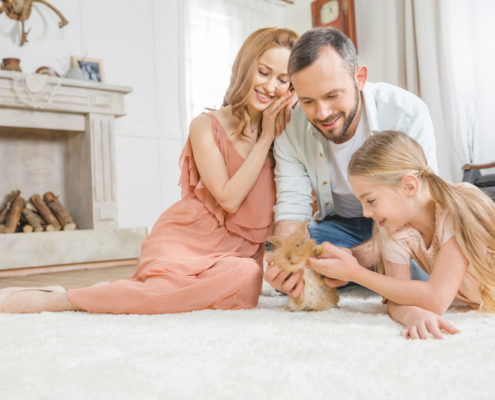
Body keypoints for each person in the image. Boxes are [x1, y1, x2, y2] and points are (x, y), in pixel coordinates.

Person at [0, 27, 298, 314]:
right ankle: (62, 300)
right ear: (245, 67)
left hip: (236, 257)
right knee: (161, 294)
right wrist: (265, 138)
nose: (271, 87)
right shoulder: (206, 126)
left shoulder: (290, 134)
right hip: (188, 240)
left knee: (246, 278)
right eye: (263, 72)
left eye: (283, 80)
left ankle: (123, 293)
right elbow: (229, 199)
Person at [264, 27, 438, 297]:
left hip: (401, 226)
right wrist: (285, 264)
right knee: (296, 256)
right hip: (338, 228)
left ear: (360, 77)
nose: (322, 113)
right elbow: (292, 210)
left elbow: (421, 211)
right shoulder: (290, 127)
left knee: (423, 266)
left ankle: (360, 273)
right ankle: (360, 273)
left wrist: (355, 262)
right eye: (308, 100)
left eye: (333, 96)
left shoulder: (407, 113)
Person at [307, 130, 495, 339]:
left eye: (370, 200)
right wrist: (412, 314)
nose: (365, 213)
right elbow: (396, 296)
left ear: (409, 186)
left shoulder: (457, 207)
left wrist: (355, 272)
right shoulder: (394, 228)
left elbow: (436, 298)